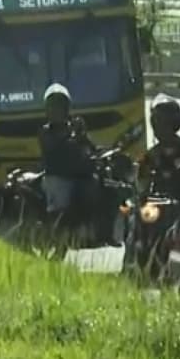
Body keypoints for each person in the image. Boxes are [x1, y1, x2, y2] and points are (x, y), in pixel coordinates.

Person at [37, 84, 116, 245]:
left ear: (67, 108)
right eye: (53, 106)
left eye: (61, 106)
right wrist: (70, 133)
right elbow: (51, 146)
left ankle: (106, 232)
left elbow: (90, 146)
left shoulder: (74, 128)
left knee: (108, 190)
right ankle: (57, 235)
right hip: (57, 176)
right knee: (60, 202)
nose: (57, 110)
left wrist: (84, 137)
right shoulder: (46, 131)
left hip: (81, 174)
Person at [138, 94, 180, 198]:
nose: (159, 129)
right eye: (157, 124)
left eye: (165, 123)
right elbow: (141, 183)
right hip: (156, 208)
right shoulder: (151, 155)